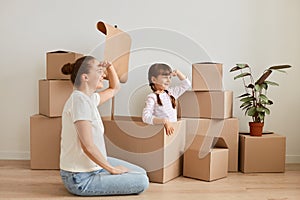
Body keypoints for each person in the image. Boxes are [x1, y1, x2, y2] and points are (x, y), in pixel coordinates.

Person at [59, 56, 149, 196]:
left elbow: (115, 88)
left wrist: (110, 67)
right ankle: (104, 172)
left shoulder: (89, 99)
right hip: (80, 178)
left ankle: (104, 170)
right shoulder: (79, 101)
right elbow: (87, 146)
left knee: (141, 172)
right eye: (99, 71)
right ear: (85, 77)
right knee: (142, 181)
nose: (103, 75)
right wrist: (112, 169)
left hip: (91, 168)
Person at [142, 63, 191, 135]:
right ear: (154, 79)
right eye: (165, 77)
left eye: (170, 77)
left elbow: (187, 84)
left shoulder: (171, 93)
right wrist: (164, 121)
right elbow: (145, 117)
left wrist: (178, 73)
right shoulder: (152, 97)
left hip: (174, 131)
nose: (169, 80)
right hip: (162, 134)